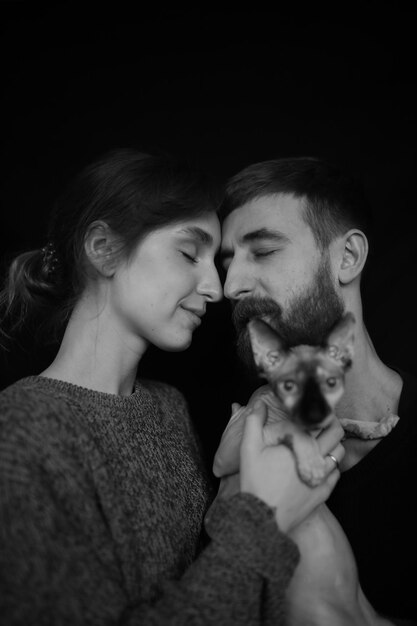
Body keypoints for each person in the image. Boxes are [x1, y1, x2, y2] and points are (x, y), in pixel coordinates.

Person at [0, 148, 344, 625]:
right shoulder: (21, 429)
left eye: (213, 262)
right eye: (189, 253)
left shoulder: (168, 406)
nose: (214, 286)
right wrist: (264, 518)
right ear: (103, 249)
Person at [214, 156, 417, 625]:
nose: (229, 286)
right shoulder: (235, 422)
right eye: (226, 263)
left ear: (347, 258)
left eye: (263, 251)